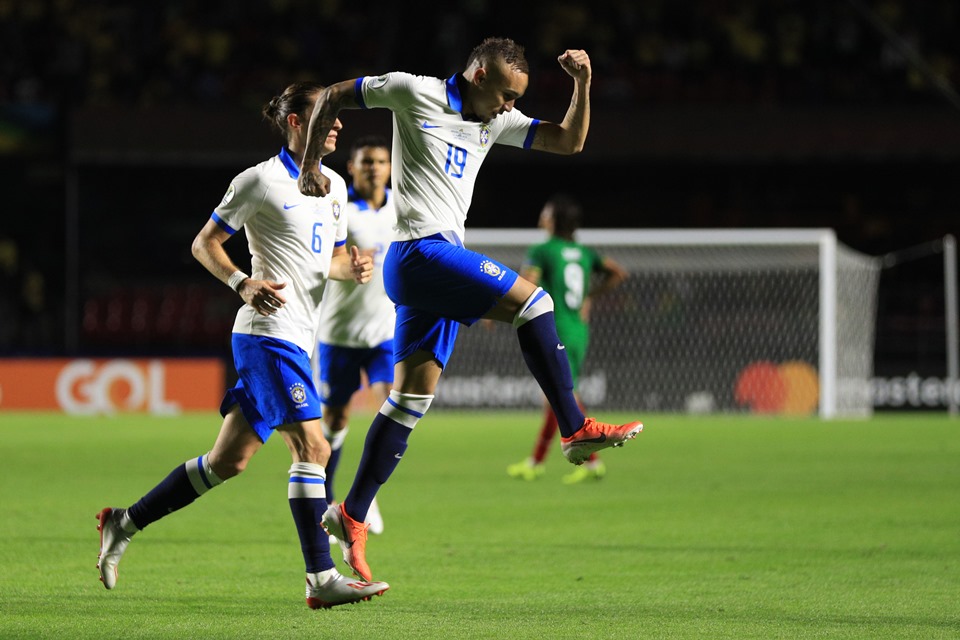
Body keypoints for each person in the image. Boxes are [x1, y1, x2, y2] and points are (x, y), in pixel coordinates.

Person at [298, 37, 643, 583]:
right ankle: (575, 429)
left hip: (435, 267)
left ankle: (351, 514)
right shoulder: (413, 92)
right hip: (419, 253)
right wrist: (311, 162)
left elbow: (568, 141)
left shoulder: (495, 120)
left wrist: (582, 83)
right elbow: (332, 95)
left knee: (409, 401)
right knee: (537, 302)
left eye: (515, 99)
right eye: (506, 94)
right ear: (479, 74)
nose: (510, 106)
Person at [95, 82, 389, 609]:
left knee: (226, 462)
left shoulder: (337, 187)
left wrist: (356, 266)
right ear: (297, 122)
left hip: (300, 340)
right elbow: (203, 243)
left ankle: (123, 521)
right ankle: (321, 580)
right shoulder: (260, 180)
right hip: (265, 336)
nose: (339, 123)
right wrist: (242, 284)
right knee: (314, 448)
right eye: (328, 114)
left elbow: (331, 261)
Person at [507, 193, 628, 484]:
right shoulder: (585, 253)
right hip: (578, 329)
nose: (542, 216)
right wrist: (590, 296)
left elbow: (526, 284)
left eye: (546, 212)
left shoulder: (543, 250)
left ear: (553, 219)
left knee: (561, 396)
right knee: (559, 396)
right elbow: (617, 273)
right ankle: (541, 462)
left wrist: (491, 310)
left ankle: (586, 462)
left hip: (553, 326)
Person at [315, 135, 396, 536]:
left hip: (385, 332)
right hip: (339, 333)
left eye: (380, 161)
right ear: (352, 167)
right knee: (336, 418)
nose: (373, 167)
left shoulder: (403, 208)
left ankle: (364, 497)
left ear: (390, 166)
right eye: (366, 161)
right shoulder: (341, 211)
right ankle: (328, 500)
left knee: (393, 408)